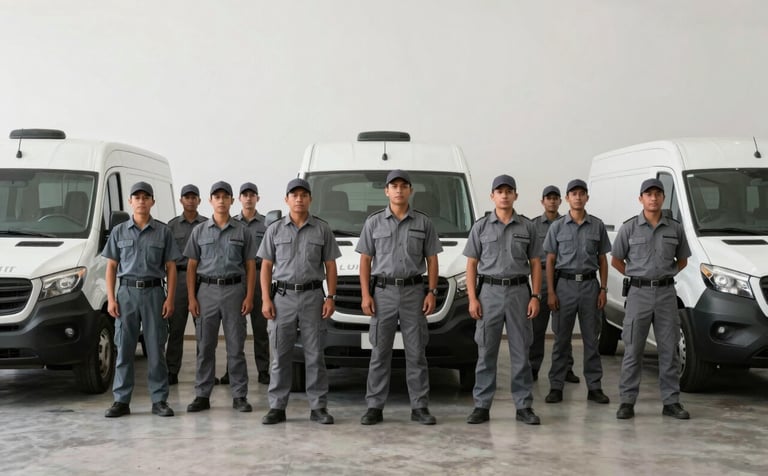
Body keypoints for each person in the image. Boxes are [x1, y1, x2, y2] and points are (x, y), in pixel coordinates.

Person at [357, 169, 443, 426]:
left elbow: (432, 260)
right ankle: (374, 406)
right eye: (393, 186)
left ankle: (420, 406)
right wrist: (365, 294)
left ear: (410, 191)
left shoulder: (423, 222)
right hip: (382, 293)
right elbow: (365, 260)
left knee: (416, 353)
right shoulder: (373, 222)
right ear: (386, 191)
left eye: (403, 186)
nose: (398, 190)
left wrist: (432, 291)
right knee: (380, 352)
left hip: (414, 293)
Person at [259, 178, 341, 425]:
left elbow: (330, 266)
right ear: (286, 199)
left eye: (303, 194)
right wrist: (265, 299)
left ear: (310, 199)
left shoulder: (322, 229)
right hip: (282, 298)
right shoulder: (274, 230)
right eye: (294, 195)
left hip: (312, 298)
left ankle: (318, 407)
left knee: (315, 355)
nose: (299, 198)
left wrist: (331, 297)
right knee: (280, 354)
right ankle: (277, 407)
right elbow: (265, 266)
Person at [464, 175, 542, 425]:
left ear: (516, 196)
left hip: (519, 292)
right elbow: (471, 264)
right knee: (486, 351)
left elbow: (536, 264)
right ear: (492, 196)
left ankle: (523, 406)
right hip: (489, 293)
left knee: (521, 351)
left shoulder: (527, 227)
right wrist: (472, 298)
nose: (505, 195)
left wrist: (535, 295)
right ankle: (482, 405)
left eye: (509, 191)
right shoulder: (481, 227)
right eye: (500, 191)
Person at [612, 178, 691, 420]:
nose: (653, 198)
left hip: (667, 295)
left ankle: (671, 401)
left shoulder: (675, 228)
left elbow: (683, 260)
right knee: (633, 348)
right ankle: (627, 401)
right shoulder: (629, 228)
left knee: (669, 350)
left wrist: (664, 276)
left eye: (658, 194)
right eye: (648, 194)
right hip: (638, 295)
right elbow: (616, 260)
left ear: (663, 198)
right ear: (641, 199)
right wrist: (638, 276)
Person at [102, 181, 180, 418]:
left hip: (154, 294)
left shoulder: (163, 232)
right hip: (126, 295)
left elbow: (171, 267)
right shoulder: (119, 232)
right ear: (130, 202)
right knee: (124, 348)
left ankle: (159, 400)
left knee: (156, 348)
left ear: (152, 202)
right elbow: (111, 266)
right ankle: (121, 401)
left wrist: (170, 299)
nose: (141, 201)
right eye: (137, 197)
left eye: (146, 197)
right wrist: (111, 298)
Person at [184, 181, 257, 414]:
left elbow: (251, 266)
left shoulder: (242, 231)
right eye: (217, 197)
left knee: (236, 346)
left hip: (235, 291)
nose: (222, 200)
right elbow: (192, 267)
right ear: (210, 200)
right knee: (205, 346)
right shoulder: (199, 231)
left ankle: (239, 395)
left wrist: (248, 296)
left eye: (226, 197)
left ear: (232, 201)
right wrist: (192, 298)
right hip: (206, 292)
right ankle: (202, 395)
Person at [543, 179, 611, 405]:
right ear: (567, 198)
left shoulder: (597, 226)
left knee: (592, 340)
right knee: (561, 340)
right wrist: (551, 292)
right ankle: (556, 386)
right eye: (574, 194)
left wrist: (603, 289)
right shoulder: (557, 227)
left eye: (582, 193)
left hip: (591, 287)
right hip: (565, 287)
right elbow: (550, 261)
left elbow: (602, 260)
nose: (578, 197)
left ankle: (594, 387)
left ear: (587, 198)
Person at [220, 182, 270, 386]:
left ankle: (264, 370)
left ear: (258, 198)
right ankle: (231, 371)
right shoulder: (230, 224)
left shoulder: (267, 224)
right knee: (234, 331)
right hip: (237, 278)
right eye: (245, 195)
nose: (248, 198)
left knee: (260, 328)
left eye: (252, 195)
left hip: (260, 277)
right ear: (238, 199)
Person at [529, 185, 579, 384]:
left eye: (555, 198)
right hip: (541, 277)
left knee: (563, 328)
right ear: (542, 201)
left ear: (561, 201)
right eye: (548, 198)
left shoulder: (568, 223)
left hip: (564, 277)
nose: (552, 201)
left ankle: (566, 368)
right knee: (537, 327)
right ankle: (532, 367)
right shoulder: (533, 225)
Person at [165, 184, 207, 385]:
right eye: (186, 197)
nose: (190, 200)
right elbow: (167, 260)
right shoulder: (171, 227)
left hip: (204, 279)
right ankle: (171, 370)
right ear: (181, 200)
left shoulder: (208, 224)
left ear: (199, 200)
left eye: (194, 197)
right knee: (176, 327)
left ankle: (204, 371)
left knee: (204, 329)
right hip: (180, 279)